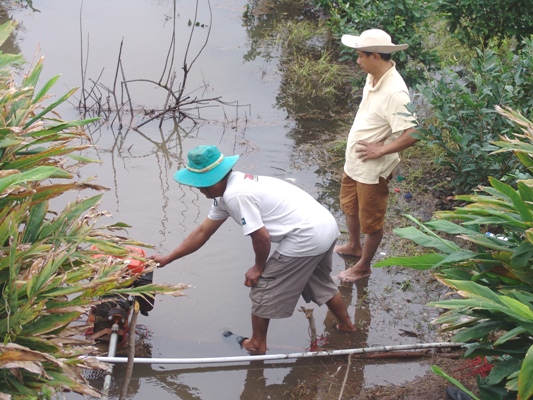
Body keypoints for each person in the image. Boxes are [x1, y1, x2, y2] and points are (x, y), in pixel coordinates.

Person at [151, 145, 355, 355]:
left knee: (262, 286)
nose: (201, 191)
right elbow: (202, 232)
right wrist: (168, 258)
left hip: (305, 236)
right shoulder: (231, 188)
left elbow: (261, 237)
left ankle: (256, 344)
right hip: (325, 226)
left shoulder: (235, 195)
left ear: (218, 178)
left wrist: (258, 268)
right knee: (318, 279)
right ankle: (346, 325)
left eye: (204, 185)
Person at [335, 28, 418, 283]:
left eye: (360, 55)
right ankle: (353, 245)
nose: (357, 61)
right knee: (349, 205)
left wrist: (381, 149)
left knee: (371, 220)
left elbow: (414, 133)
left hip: (373, 168)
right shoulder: (372, 77)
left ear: (375, 56)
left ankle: (363, 267)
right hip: (355, 161)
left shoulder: (395, 92)